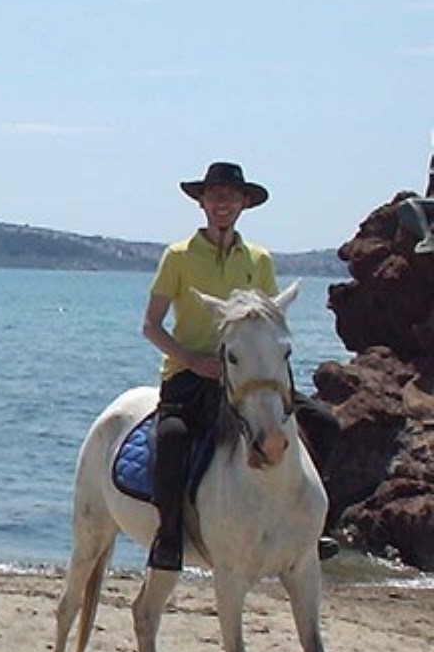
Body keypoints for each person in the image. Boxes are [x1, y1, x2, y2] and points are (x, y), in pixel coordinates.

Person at [141, 161, 340, 572]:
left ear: (244, 204)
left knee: (323, 423)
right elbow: (151, 326)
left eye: (231, 197)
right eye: (214, 196)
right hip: (191, 376)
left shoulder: (259, 259)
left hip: (247, 378)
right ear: (202, 202)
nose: (222, 204)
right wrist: (193, 361)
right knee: (173, 439)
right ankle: (169, 535)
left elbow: (267, 325)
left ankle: (317, 526)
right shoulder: (177, 257)